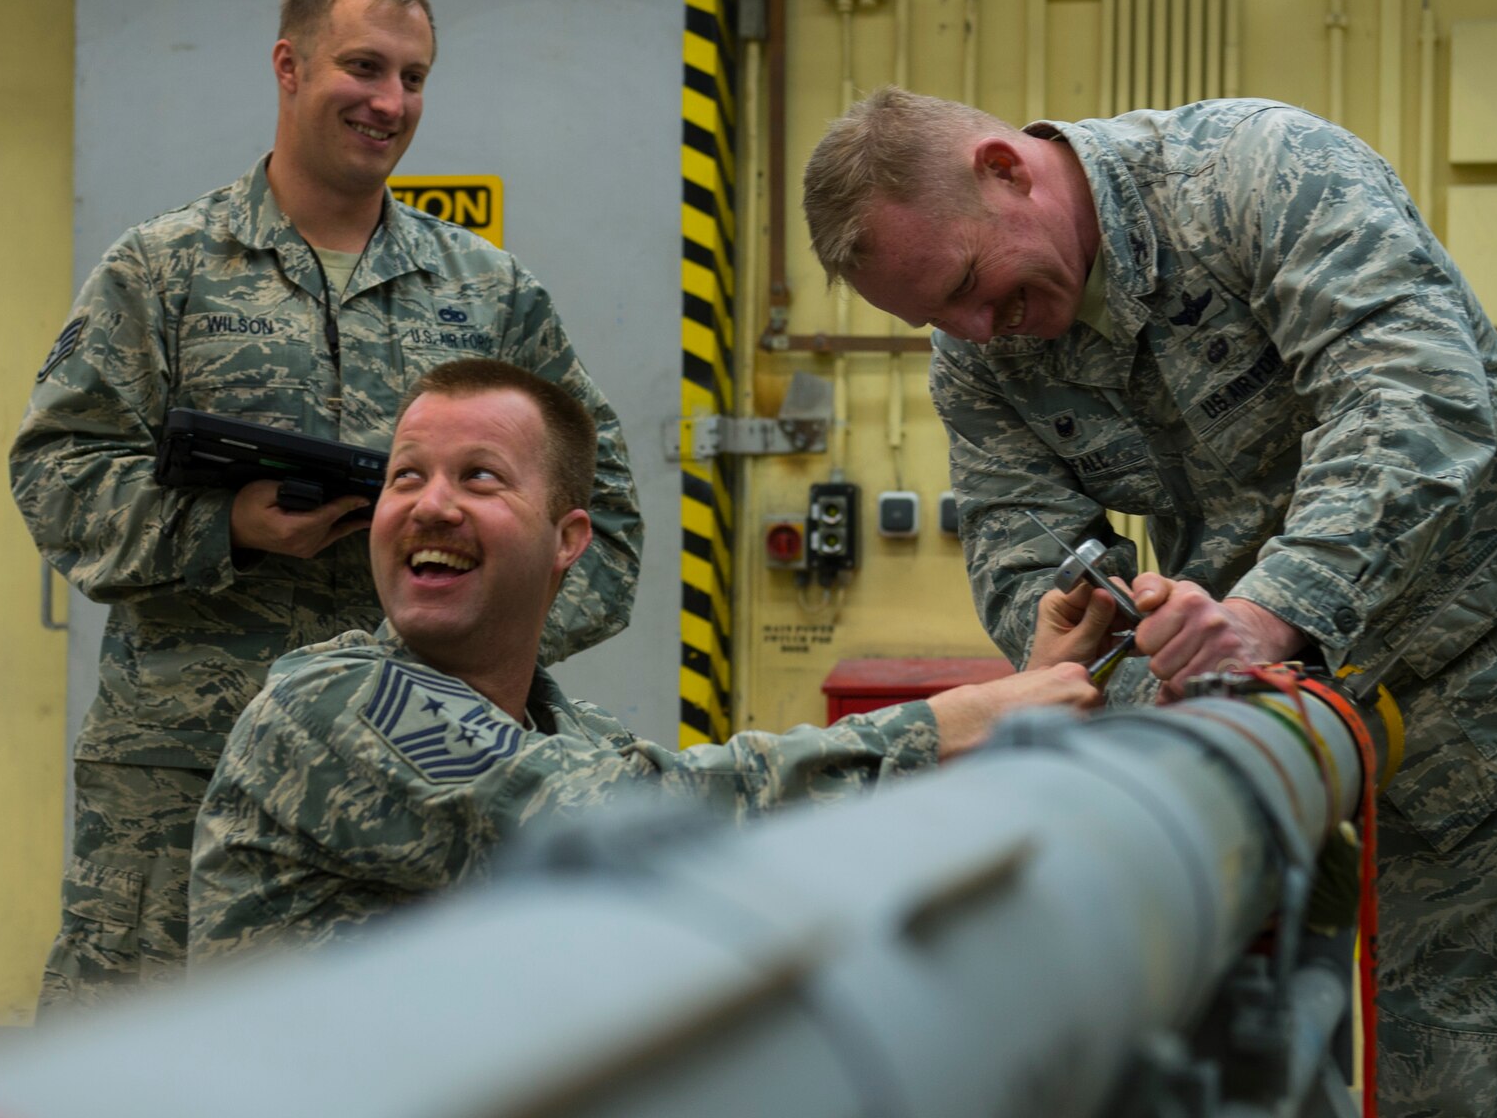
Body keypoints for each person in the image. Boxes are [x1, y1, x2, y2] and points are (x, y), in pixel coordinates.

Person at [801, 86, 1497, 1118]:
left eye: (964, 287)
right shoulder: (978, 353)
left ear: (1005, 168)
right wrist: (1090, 644)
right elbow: (1019, 549)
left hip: (1494, 704)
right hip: (1281, 733)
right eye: (941, 320)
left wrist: (1268, 608)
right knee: (1245, 1086)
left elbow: (1420, 404)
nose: (981, 333)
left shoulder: (1257, 174)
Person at [9, 0, 643, 1011]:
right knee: (141, 1067)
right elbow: (55, 472)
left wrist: (470, 639)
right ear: (288, 65)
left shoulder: (491, 293)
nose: (388, 102)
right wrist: (224, 527)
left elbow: (602, 524)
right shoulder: (163, 272)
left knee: (394, 1063)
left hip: (427, 767)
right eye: (362, 66)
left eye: (413, 77)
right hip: (182, 773)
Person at [189, 359, 1106, 960]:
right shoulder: (329, 701)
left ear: (567, 539)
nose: (430, 505)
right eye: (405, 476)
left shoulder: (565, 731)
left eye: (480, 477)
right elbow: (634, 822)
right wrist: (951, 722)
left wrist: (1031, 688)